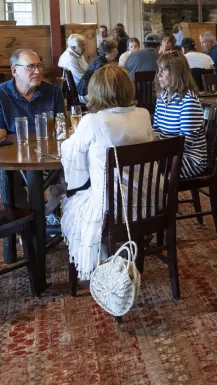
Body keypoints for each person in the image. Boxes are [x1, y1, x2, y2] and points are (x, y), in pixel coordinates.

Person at [60, 65, 155, 280]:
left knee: (69, 201)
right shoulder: (143, 114)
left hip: (113, 208)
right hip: (148, 201)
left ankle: (101, 262)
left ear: (96, 91)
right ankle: (109, 257)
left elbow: (71, 151)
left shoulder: (93, 121)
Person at [0, 49, 67, 214]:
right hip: (13, 159)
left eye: (39, 66)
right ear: (15, 71)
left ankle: (48, 216)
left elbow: (60, 131)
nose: (37, 71)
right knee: (2, 177)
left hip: (49, 156)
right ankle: (25, 223)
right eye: (30, 67)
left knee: (75, 169)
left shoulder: (53, 92)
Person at [153, 52, 208, 178]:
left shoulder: (188, 100)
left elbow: (185, 142)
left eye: (164, 70)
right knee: (139, 167)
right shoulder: (161, 97)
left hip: (190, 158)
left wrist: (155, 151)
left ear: (177, 73)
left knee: (147, 172)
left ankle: (165, 198)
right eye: (158, 69)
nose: (158, 74)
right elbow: (155, 130)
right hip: (168, 154)